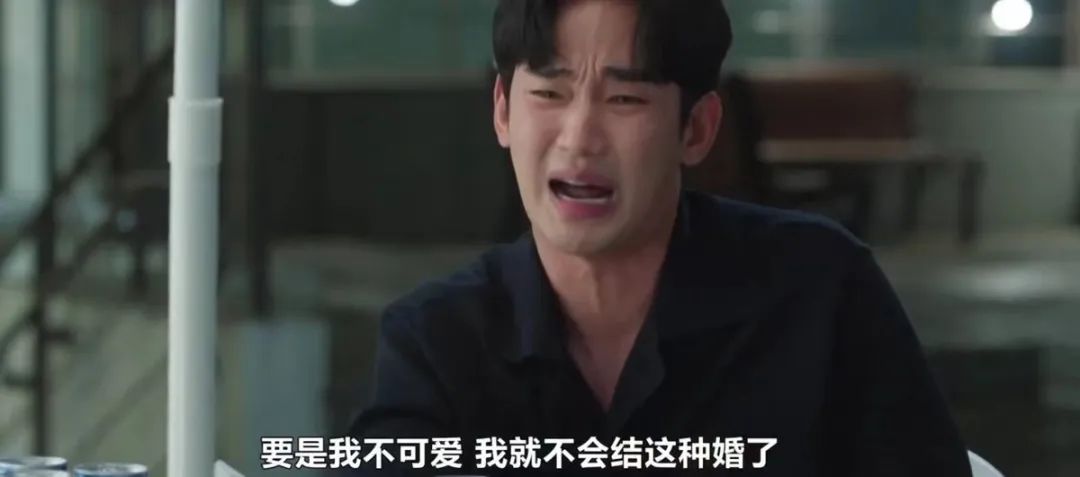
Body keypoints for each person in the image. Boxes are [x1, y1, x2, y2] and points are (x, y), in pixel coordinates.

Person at [348, 0, 972, 475]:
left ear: (696, 129)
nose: (579, 139)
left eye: (624, 98)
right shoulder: (436, 341)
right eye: (549, 93)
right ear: (503, 112)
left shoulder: (820, 288)